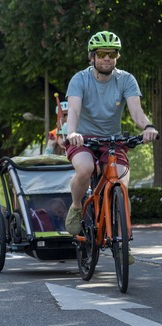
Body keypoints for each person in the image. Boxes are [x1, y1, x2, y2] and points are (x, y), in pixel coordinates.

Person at [65, 31, 159, 234]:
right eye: (101, 54)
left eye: (112, 53)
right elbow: (73, 110)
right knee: (84, 169)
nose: (107, 58)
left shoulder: (126, 80)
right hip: (83, 139)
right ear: (92, 56)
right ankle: (76, 207)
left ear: (117, 56)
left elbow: (136, 112)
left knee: (121, 185)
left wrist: (148, 127)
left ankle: (122, 240)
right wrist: (72, 133)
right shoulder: (79, 79)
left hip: (113, 141)